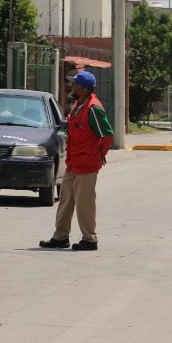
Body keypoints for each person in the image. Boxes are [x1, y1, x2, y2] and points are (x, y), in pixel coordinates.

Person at [39, 70, 114, 252]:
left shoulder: (93, 108)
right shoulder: (78, 105)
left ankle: (90, 239)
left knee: (84, 204)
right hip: (73, 164)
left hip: (87, 165)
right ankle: (60, 237)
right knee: (65, 201)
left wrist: (97, 155)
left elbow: (107, 135)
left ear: (83, 88)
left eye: (74, 84)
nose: (71, 86)